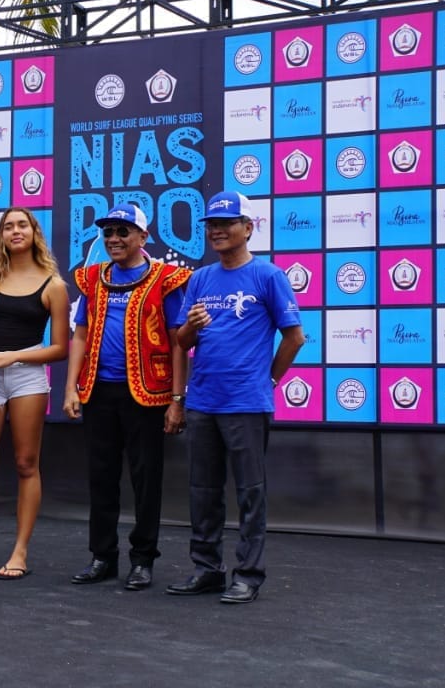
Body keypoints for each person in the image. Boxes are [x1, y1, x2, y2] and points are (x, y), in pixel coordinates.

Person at [166, 191, 305, 605]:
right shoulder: (201, 279)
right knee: (202, 491)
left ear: (248, 228)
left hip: (246, 403)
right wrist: (190, 325)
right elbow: (182, 340)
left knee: (250, 492)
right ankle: (207, 569)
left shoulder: (268, 276)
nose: (218, 230)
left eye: (227, 223)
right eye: (212, 224)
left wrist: (269, 381)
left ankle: (248, 574)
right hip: (203, 401)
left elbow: (295, 337)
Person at [63, 204, 192, 591]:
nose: (114, 239)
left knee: (146, 479)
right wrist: (71, 387)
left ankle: (143, 560)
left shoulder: (166, 280)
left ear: (143, 237)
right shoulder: (91, 279)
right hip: (99, 392)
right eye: (108, 233)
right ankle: (102, 556)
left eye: (123, 232)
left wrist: (176, 399)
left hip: (148, 395)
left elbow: (178, 342)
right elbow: (80, 335)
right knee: (101, 477)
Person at [0, 208, 69, 580]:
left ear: (34, 232)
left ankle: (19, 552)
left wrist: (12, 357)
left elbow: (60, 349)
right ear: (1, 235)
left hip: (27, 378)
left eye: (22, 225)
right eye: (8, 226)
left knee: (25, 464)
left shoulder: (53, 285)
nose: (15, 231)